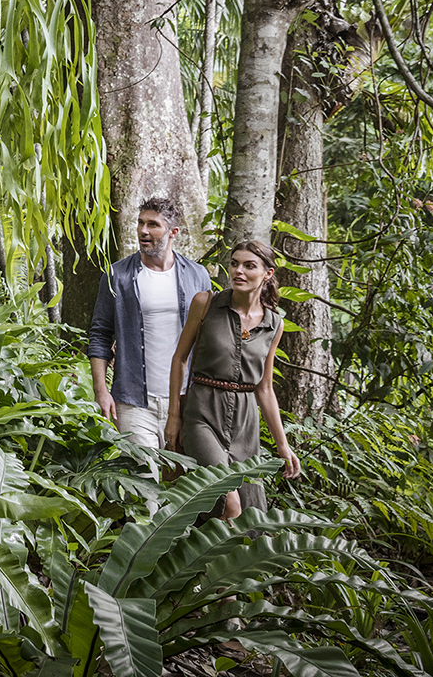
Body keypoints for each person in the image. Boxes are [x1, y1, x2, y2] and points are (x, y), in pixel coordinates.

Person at [164, 240, 302, 517]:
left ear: (268, 274)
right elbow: (179, 359)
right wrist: (174, 416)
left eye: (249, 266)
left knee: (251, 513)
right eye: (234, 263)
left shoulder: (274, 324)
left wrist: (283, 445)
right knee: (228, 500)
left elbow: (264, 388)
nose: (238, 271)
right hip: (201, 413)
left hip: (245, 423)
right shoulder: (206, 303)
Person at [88, 197, 213, 449]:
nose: (143, 231)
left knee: (182, 481)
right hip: (133, 400)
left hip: (185, 398)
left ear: (173, 232)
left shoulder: (197, 275)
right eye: (140, 223)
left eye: (153, 225)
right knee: (143, 481)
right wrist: (101, 391)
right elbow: (100, 335)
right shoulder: (117, 275)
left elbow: (208, 336)